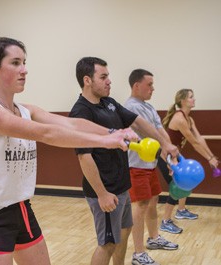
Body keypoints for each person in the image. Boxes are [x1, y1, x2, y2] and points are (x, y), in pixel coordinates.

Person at [0, 37, 138, 265]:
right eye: (15, 63)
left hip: (22, 208)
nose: (24, 70)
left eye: (24, 62)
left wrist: (113, 132)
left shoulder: (26, 110)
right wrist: (106, 141)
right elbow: (45, 134)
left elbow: (71, 124)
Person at [69, 58, 178, 265]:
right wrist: (102, 194)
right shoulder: (81, 112)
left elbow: (137, 121)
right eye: (103, 77)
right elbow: (84, 156)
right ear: (87, 80)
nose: (109, 81)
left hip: (122, 186)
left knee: (125, 232)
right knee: (107, 243)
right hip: (106, 191)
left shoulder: (108, 103)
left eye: (108, 76)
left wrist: (164, 143)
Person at [124, 69, 178, 265]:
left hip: (150, 165)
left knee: (153, 202)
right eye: (149, 84)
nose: (153, 88)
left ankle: (154, 238)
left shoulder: (148, 107)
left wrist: (170, 155)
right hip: (135, 166)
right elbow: (150, 133)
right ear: (136, 85)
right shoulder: (131, 107)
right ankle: (138, 253)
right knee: (140, 205)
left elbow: (160, 131)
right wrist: (166, 148)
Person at [158, 88, 219, 234]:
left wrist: (212, 156)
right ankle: (165, 221)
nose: (194, 99)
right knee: (177, 188)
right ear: (183, 100)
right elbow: (194, 143)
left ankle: (181, 210)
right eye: (191, 97)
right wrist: (209, 158)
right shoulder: (179, 118)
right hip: (165, 157)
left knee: (185, 183)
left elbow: (200, 139)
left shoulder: (189, 119)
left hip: (176, 156)